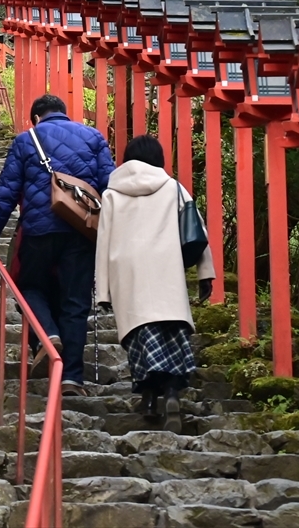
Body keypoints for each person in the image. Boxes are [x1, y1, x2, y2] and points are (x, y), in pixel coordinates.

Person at [0, 93, 114, 395]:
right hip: (81, 230)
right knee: (76, 303)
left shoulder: (28, 140)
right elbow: (110, 185)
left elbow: (6, 195)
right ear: (64, 113)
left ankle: (48, 334)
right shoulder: (93, 137)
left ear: (36, 117)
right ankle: (72, 378)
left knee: (30, 288)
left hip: (39, 230)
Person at [95, 133, 216, 427]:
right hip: (166, 272)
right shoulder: (173, 188)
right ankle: (173, 392)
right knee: (171, 332)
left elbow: (103, 242)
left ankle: (148, 397)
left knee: (140, 336)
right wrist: (205, 273)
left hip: (129, 275)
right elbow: (197, 231)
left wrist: (103, 292)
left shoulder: (111, 194)